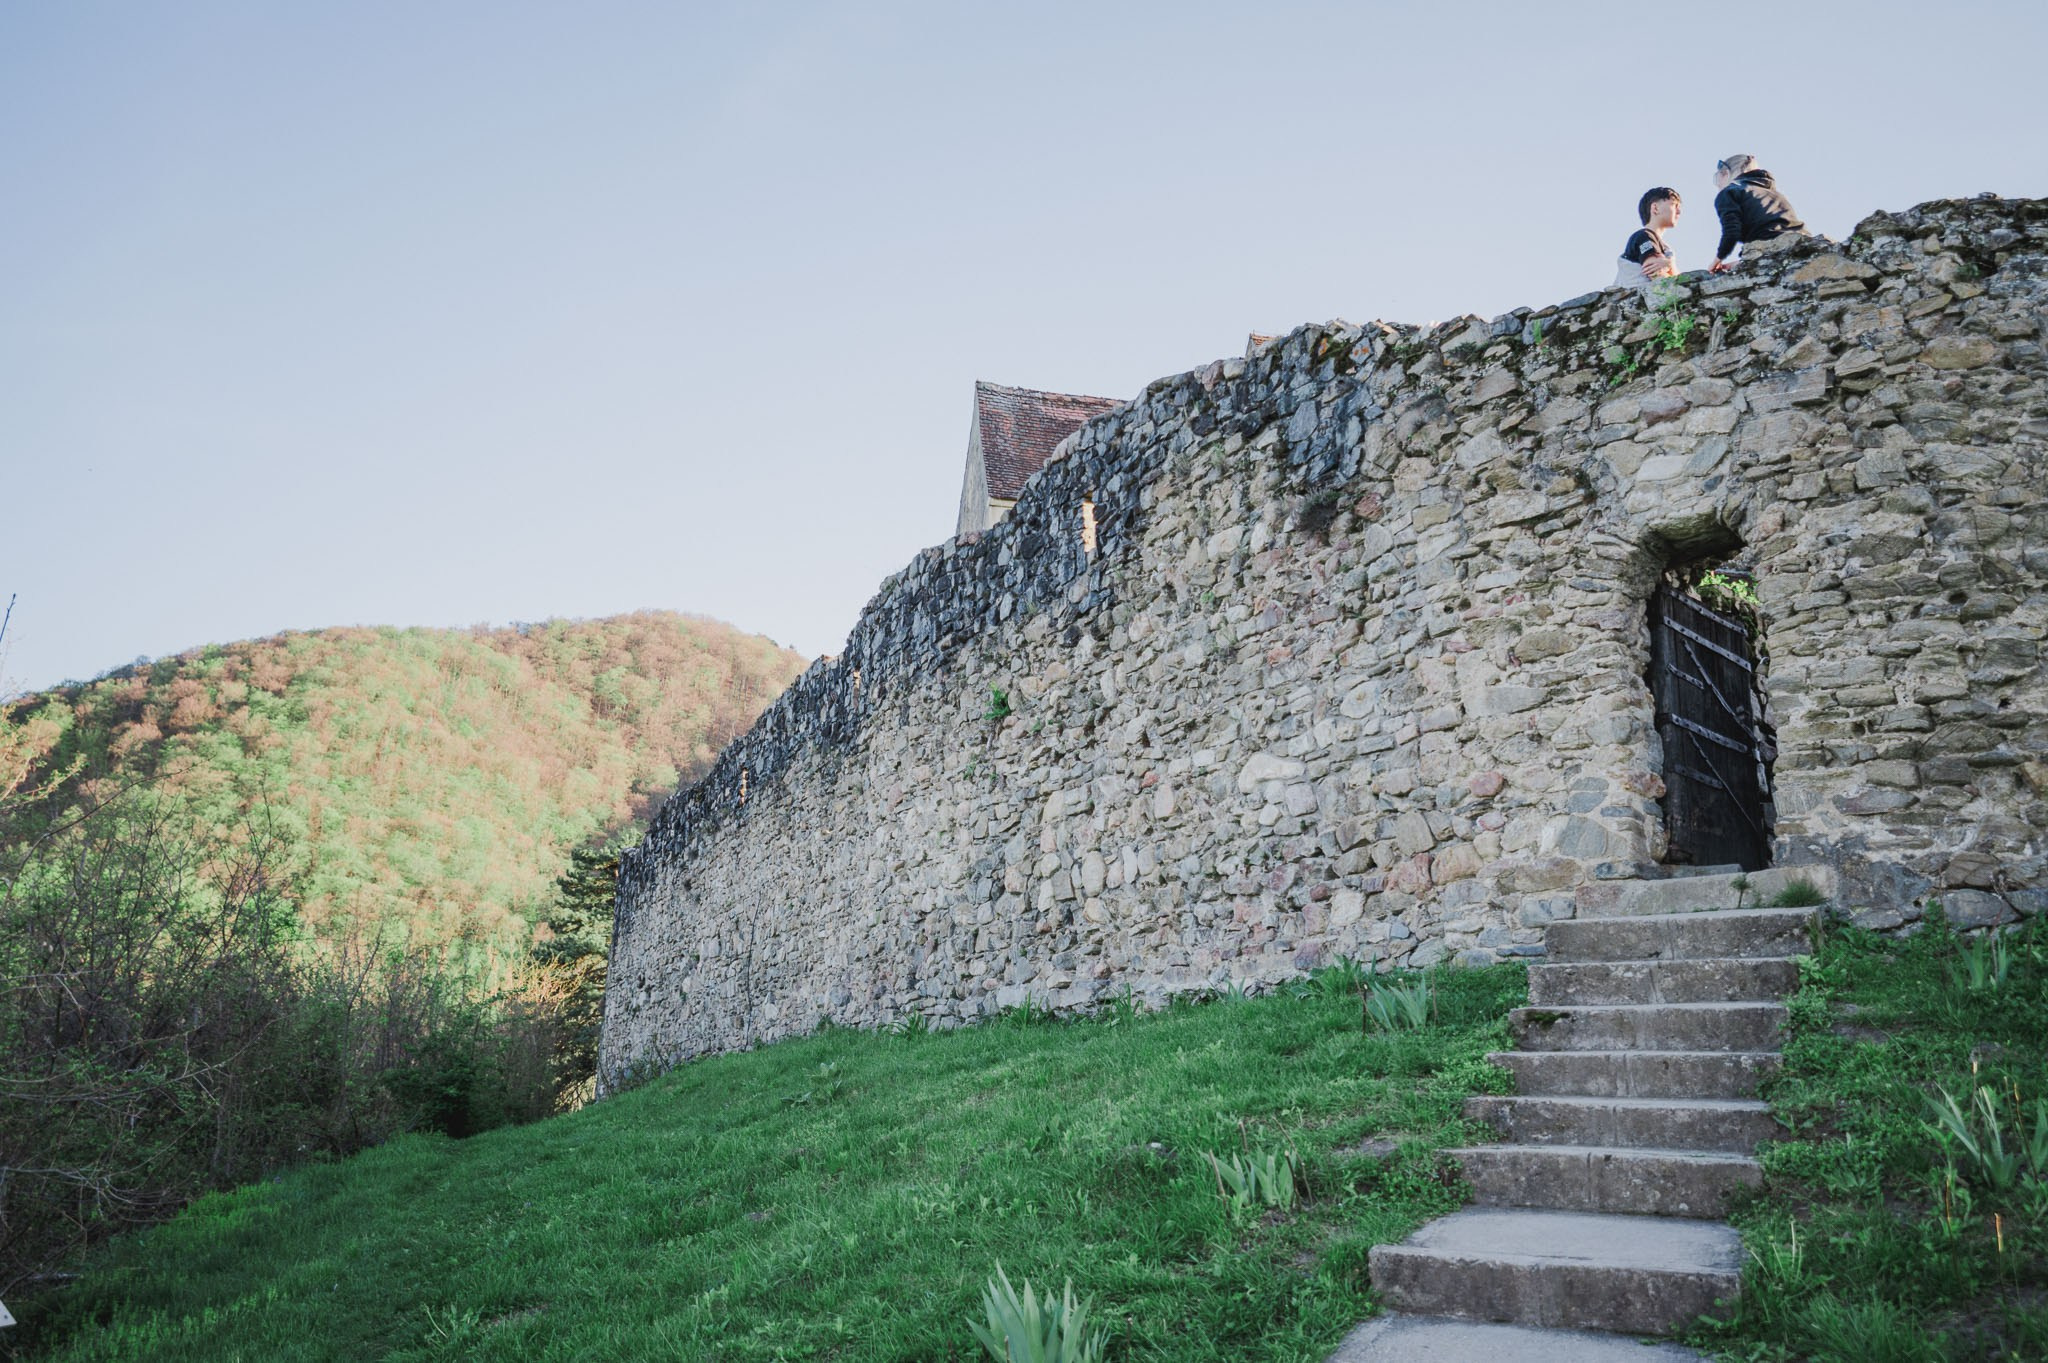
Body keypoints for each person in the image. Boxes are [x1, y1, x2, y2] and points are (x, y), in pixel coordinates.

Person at [1709, 155, 1806, 272]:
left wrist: (1717, 260)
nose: (1718, 185)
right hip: (1801, 243)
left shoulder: (1729, 192)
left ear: (1726, 174)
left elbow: (1732, 232)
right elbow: (1773, 229)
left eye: (1717, 179)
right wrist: (1742, 262)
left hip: (1769, 247)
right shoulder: (1775, 194)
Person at [1616, 187, 1682, 292]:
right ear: (1655, 208)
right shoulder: (1644, 236)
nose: (1679, 211)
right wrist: (1669, 267)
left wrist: (1670, 264)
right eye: (1674, 205)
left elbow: (1677, 281)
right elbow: (1659, 279)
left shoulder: (1663, 246)